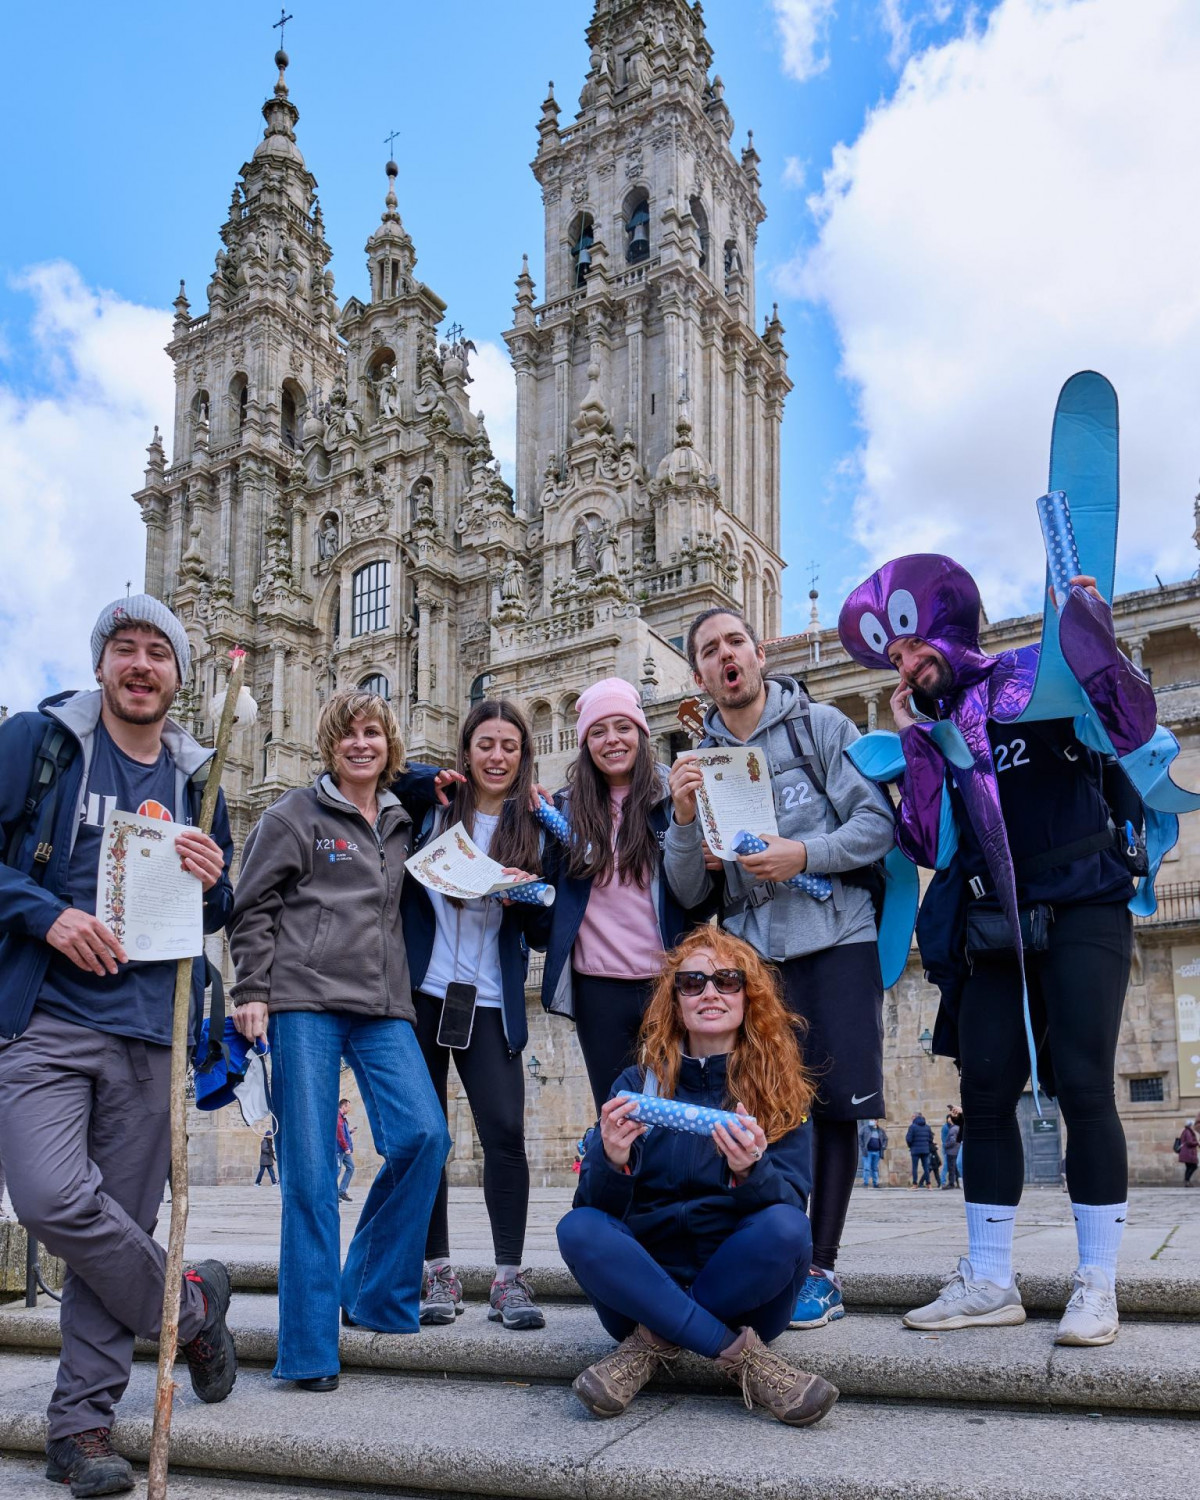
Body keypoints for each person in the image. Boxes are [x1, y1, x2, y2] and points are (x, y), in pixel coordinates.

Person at [839, 552, 1154, 1347]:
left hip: (1084, 903)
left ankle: (1097, 1282)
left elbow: (1130, 723)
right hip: (992, 925)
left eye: (913, 646)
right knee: (983, 1095)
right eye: (895, 658)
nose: (908, 664)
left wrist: (1093, 641)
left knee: (1085, 1087)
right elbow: (924, 841)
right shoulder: (934, 725)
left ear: (945, 622)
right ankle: (989, 1278)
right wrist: (915, 743)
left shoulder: (1033, 673)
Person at [0, 594, 238, 1497]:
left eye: (160, 655)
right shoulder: (40, 745)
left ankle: (83, 1430)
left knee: (117, 1235)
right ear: (102, 664)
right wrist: (49, 916)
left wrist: (215, 881)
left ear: (179, 679)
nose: (142, 667)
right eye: (127, 650)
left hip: (148, 1032)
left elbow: (215, 907)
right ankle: (191, 1308)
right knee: (51, 1197)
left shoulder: (197, 778)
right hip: (48, 1022)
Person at [664, 607, 896, 1331]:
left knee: (833, 1108)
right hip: (755, 953)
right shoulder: (698, 760)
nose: (725, 655)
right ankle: (776, 1256)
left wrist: (803, 853)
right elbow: (687, 889)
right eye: (709, 650)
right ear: (700, 675)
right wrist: (678, 820)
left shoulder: (820, 728)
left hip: (836, 937)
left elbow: (877, 826)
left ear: (757, 654)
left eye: (734, 641)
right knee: (764, 1104)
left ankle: (820, 1270)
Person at [230, 688, 451, 1392]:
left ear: (388, 745)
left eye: (373, 734)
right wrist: (250, 992)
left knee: (424, 1137)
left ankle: (375, 1293)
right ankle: (306, 1349)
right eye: (348, 734)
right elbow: (252, 906)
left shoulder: (398, 819)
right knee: (309, 1173)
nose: (361, 744)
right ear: (329, 744)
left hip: (384, 1004)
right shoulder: (292, 815)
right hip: (303, 1002)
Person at [557, 928, 839, 1428]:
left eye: (727, 980)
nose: (710, 991)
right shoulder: (635, 1084)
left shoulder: (781, 1092)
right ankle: (740, 1357)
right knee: (577, 1229)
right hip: (644, 1282)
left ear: (748, 996)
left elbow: (792, 1203)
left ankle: (648, 1345)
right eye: (692, 982)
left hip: (745, 1293)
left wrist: (750, 1170)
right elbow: (594, 1208)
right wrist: (613, 1159)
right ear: (676, 1000)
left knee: (787, 1229)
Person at [401, 699, 552, 1332]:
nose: (497, 756)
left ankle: (508, 1278)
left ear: (524, 757)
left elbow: (545, 931)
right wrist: (425, 777)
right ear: (466, 753)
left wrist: (523, 893)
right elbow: (384, 774)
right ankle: (437, 1268)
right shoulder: (432, 810)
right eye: (485, 744)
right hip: (424, 994)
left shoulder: (538, 828)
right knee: (427, 1138)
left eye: (509, 746)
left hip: (490, 1001)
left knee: (504, 1135)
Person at [542, 679, 712, 1113]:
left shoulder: (672, 799)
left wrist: (686, 820)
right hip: (598, 989)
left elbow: (693, 895)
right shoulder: (562, 809)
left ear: (642, 733)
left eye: (623, 727)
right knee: (618, 1113)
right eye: (598, 732)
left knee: (675, 1111)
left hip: (667, 983)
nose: (612, 740)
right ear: (584, 744)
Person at [906, 1114, 933, 1188]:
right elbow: (931, 1138)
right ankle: (928, 1184)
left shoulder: (912, 1127)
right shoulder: (927, 1127)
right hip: (925, 1150)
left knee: (915, 1167)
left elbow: (908, 1139)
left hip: (915, 1150)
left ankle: (915, 1184)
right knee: (926, 1167)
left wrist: (910, 1146)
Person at [336, 1098, 354, 1201]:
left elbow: (344, 1133)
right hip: (340, 1149)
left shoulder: (343, 1118)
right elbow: (339, 1135)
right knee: (337, 1171)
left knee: (350, 1167)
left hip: (344, 1149)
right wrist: (346, 1147)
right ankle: (332, 1195)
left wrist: (350, 1131)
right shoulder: (338, 1118)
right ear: (343, 1106)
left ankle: (341, 1191)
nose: (350, 1108)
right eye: (348, 1106)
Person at [860, 1119, 886, 1189]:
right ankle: (866, 1183)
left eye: (875, 1120)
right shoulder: (865, 1128)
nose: (874, 1121)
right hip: (867, 1152)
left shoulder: (880, 1130)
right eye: (872, 1120)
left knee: (875, 1168)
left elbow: (885, 1139)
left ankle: (875, 1183)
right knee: (867, 1168)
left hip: (877, 1152)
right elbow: (859, 1136)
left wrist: (883, 1146)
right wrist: (862, 1146)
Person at [1178, 1120, 1198, 1186]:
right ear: (1190, 1125)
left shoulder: (1186, 1131)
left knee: (1189, 1167)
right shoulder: (1188, 1132)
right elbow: (1190, 1142)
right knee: (1194, 1166)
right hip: (1188, 1153)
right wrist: (1197, 1143)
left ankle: (1187, 1181)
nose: (1194, 1126)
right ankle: (1187, 1181)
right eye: (1193, 1125)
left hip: (1186, 1152)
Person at [944, 1114, 961, 1189]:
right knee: (956, 1168)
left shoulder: (953, 1129)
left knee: (951, 1168)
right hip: (956, 1150)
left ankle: (951, 1183)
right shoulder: (958, 1128)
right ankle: (957, 1183)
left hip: (952, 1151)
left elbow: (952, 1140)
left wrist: (946, 1145)